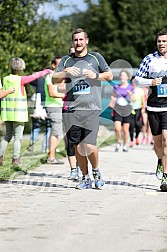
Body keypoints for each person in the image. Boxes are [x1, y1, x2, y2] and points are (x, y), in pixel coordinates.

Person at [52, 28, 113, 189]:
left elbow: (110, 75)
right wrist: (64, 71)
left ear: (87, 40)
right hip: (72, 109)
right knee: (77, 146)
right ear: (73, 42)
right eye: (75, 40)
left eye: (81, 39)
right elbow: (54, 79)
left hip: (91, 108)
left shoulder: (96, 57)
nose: (78, 43)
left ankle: (96, 171)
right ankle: (85, 178)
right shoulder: (66, 60)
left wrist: (96, 76)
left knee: (89, 145)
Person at [0, 57, 51, 166]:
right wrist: (46, 71)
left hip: (7, 113)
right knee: (18, 138)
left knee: (7, 136)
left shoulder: (4, 79)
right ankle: (15, 159)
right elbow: (34, 76)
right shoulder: (21, 79)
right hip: (18, 114)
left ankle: (0, 156)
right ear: (21, 67)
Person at [134, 29, 167, 191]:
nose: (161, 44)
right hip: (154, 106)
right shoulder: (150, 59)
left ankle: (166, 177)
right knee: (158, 143)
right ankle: (160, 160)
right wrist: (151, 82)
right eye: (159, 41)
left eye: (164, 41)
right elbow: (137, 79)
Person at [62, 46, 80, 180]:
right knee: (71, 140)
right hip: (69, 108)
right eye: (72, 54)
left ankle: (81, 166)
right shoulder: (65, 70)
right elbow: (58, 84)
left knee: (83, 140)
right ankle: (74, 169)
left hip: (85, 109)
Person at [45, 56, 65, 164]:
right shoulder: (50, 76)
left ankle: (51, 156)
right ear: (53, 65)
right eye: (59, 64)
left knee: (56, 132)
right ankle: (51, 157)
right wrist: (64, 96)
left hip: (58, 106)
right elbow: (51, 93)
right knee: (55, 131)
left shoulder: (58, 77)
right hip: (53, 106)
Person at [109, 70, 134, 152]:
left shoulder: (131, 87)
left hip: (127, 108)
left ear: (127, 77)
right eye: (121, 75)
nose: (122, 77)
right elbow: (113, 97)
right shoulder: (116, 87)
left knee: (126, 130)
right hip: (117, 108)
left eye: (124, 75)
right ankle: (119, 142)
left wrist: (130, 95)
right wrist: (111, 102)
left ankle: (124, 145)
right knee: (117, 128)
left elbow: (134, 99)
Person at [27, 77, 51, 153]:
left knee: (36, 126)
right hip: (47, 103)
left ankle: (32, 142)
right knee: (48, 127)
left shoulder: (39, 79)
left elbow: (30, 81)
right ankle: (44, 149)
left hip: (38, 104)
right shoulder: (50, 78)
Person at [129, 77, 145, 147]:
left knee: (139, 125)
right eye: (132, 82)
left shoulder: (140, 90)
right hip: (130, 109)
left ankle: (136, 137)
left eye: (134, 82)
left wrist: (143, 108)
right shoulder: (129, 89)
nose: (133, 84)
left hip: (138, 108)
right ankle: (132, 140)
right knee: (131, 125)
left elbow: (143, 100)